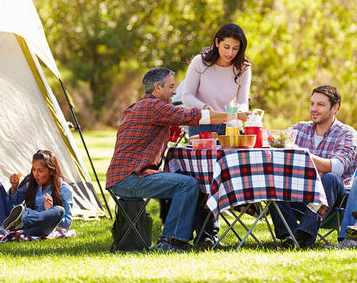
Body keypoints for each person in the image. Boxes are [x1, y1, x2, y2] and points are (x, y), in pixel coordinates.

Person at [106, 67, 249, 252]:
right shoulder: (154, 106)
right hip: (131, 178)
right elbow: (195, 116)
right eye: (171, 86)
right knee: (187, 184)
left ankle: (188, 236)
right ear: (157, 88)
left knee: (186, 181)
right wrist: (234, 115)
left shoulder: (142, 106)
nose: (175, 91)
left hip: (123, 176)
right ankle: (171, 241)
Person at [269, 85, 357, 249]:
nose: (314, 109)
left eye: (320, 105)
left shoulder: (347, 133)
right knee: (273, 178)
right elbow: (277, 146)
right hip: (298, 193)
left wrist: (301, 154)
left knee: (330, 178)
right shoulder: (299, 129)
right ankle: (289, 235)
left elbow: (336, 168)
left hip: (331, 199)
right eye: (312, 104)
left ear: (335, 107)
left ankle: (303, 236)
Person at [182, 23, 251, 137]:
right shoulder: (200, 62)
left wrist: (239, 113)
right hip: (202, 125)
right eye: (226, 47)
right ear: (217, 42)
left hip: (229, 126)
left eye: (235, 48)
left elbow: (242, 101)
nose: (230, 53)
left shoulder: (243, 68)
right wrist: (203, 106)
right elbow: (187, 96)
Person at [0, 149, 73, 237]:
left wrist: (49, 211)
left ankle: (23, 223)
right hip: (18, 221)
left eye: (40, 171)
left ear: (52, 171)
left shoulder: (64, 189)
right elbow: (15, 205)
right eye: (33, 169)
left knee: (59, 210)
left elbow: (67, 223)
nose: (35, 174)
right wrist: (14, 188)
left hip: (38, 227)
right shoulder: (30, 181)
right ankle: (2, 229)